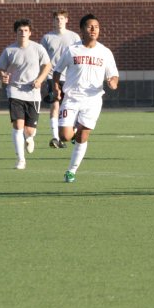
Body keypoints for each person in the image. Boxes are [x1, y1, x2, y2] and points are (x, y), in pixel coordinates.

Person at [52, 14, 119, 183]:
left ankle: (71, 171)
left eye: (96, 26)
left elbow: (114, 75)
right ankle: (73, 131)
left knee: (83, 136)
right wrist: (56, 87)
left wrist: (113, 83)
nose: (93, 29)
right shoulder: (72, 50)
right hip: (72, 98)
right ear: (82, 30)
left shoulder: (105, 52)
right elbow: (57, 71)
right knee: (65, 136)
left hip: (93, 100)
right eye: (89, 27)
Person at [0, 19, 51, 170]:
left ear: (30, 33)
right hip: (15, 91)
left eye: (26, 30)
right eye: (20, 31)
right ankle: (21, 160)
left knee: (29, 131)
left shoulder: (38, 48)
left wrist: (40, 80)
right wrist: (3, 76)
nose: (23, 33)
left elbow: (47, 65)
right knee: (18, 125)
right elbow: (1, 69)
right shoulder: (9, 51)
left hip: (33, 93)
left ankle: (30, 138)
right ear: (16, 33)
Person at [40, 10, 81, 149]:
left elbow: (78, 56)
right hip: (53, 76)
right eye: (57, 19)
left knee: (70, 106)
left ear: (66, 20)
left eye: (62, 18)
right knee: (55, 105)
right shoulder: (47, 38)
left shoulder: (74, 37)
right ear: (53, 21)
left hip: (70, 77)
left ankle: (72, 133)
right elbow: (43, 59)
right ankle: (55, 137)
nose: (59, 21)